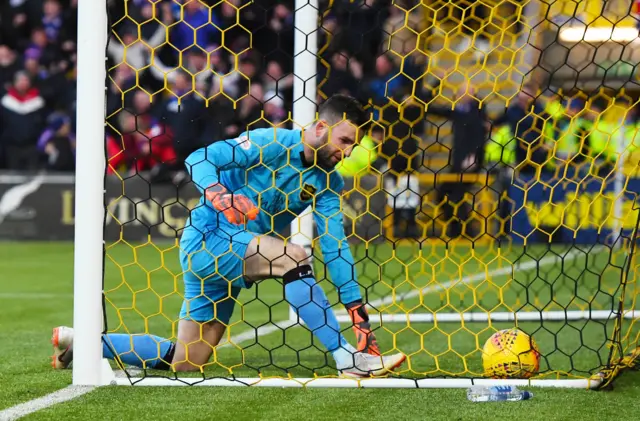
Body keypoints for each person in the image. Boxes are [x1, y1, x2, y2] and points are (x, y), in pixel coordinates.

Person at [51, 94, 406, 378]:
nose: (345, 151)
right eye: (343, 139)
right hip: (209, 237)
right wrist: (221, 195)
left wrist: (357, 310)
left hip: (238, 256)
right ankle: (347, 359)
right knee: (294, 256)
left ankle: (82, 344)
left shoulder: (328, 182)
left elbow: (336, 247)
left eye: (352, 145)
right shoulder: (270, 143)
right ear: (319, 126)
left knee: (188, 361)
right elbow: (200, 158)